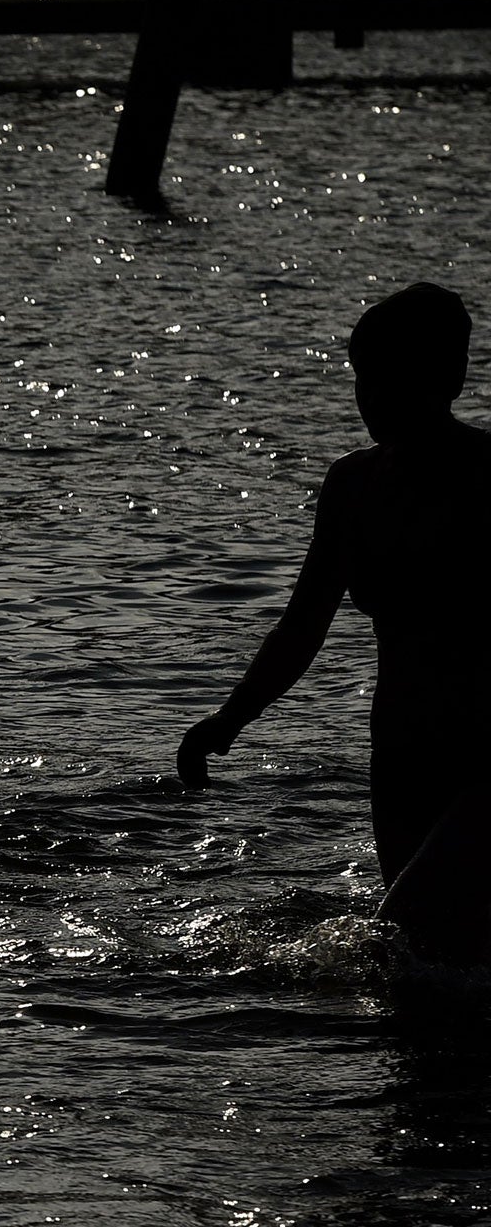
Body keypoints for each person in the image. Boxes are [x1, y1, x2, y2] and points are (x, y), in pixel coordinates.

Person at [178, 282, 491, 958]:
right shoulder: (353, 486)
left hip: (484, 754)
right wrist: (229, 720)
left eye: (390, 378)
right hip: (402, 754)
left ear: (447, 377)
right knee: (428, 969)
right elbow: (302, 626)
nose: (372, 397)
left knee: (402, 928)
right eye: (362, 380)